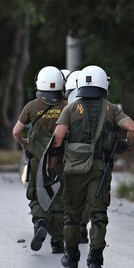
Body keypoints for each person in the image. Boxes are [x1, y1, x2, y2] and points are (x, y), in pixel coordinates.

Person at [49, 65, 134, 268]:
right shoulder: (111, 109)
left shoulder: (70, 109)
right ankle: (95, 261)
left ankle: (71, 259)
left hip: (73, 170)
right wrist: (124, 145)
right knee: (98, 214)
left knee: (72, 215)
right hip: (100, 169)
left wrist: (53, 168)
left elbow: (58, 139)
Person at [12, 66, 66, 254]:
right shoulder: (67, 106)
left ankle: (40, 222)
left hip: (37, 160)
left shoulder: (31, 106)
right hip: (60, 161)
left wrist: (24, 144)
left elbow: (16, 131)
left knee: (36, 194)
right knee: (58, 198)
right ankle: (58, 242)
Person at [63, 69, 88, 244]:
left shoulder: (68, 108)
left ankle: (71, 254)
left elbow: (57, 136)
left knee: (71, 199)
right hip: (94, 160)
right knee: (89, 197)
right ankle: (82, 229)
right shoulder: (105, 107)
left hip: (70, 159)